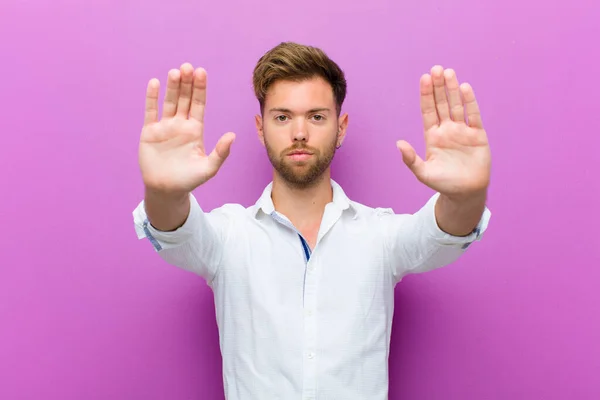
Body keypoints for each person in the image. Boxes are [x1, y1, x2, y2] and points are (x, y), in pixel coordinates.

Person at [132, 42, 492, 400]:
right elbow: (174, 229)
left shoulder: (379, 236)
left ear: (341, 127)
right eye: (282, 117)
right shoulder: (228, 237)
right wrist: (163, 191)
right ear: (261, 128)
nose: (299, 132)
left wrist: (465, 195)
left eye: (317, 116)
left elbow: (443, 232)